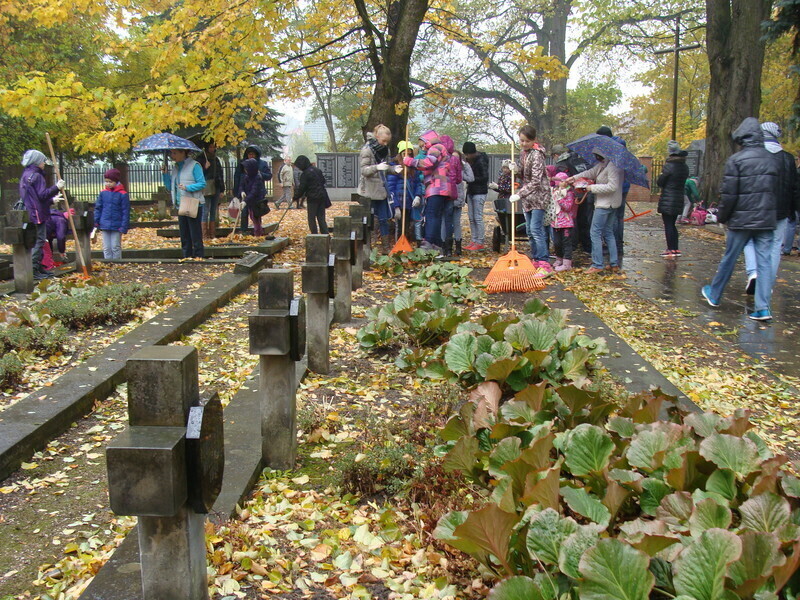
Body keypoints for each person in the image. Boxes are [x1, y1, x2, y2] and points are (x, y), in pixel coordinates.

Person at [701, 117, 779, 321]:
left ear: (742, 138)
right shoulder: (772, 159)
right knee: (764, 262)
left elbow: (729, 195)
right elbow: (776, 191)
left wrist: (722, 217)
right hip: (766, 219)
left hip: (741, 220)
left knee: (730, 258)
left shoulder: (736, 160)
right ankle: (763, 307)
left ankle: (715, 294)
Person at [742, 122, 800, 294]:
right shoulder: (788, 159)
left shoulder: (751, 155)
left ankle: (753, 273)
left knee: (749, 240)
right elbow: (794, 187)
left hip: (754, 207)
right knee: (775, 245)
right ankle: (766, 284)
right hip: (780, 209)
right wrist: (794, 210)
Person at [565, 146, 624, 273]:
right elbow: (591, 172)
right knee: (608, 232)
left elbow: (612, 186)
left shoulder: (612, 167)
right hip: (608, 204)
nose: (596, 158)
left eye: (597, 155)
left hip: (606, 204)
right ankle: (614, 263)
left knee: (595, 233)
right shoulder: (604, 164)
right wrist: (574, 178)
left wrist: (591, 188)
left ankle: (597, 264)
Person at [511, 125, 552, 273]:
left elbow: (535, 180)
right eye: (521, 141)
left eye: (526, 141)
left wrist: (519, 194)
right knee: (529, 230)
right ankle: (535, 259)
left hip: (539, 195)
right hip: (528, 197)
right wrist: (515, 169)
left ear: (533, 140)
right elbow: (523, 175)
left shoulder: (537, 154)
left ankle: (544, 262)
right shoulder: (524, 154)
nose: (523, 144)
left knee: (536, 229)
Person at [19, 149, 64, 279]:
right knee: (40, 240)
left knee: (39, 240)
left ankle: (38, 267)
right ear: (37, 162)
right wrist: (56, 187)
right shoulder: (37, 176)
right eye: (43, 161)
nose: (44, 163)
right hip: (37, 212)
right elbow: (42, 195)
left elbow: (35, 197)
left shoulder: (26, 174)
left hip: (32, 210)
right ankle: (33, 269)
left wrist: (52, 200)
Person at [403, 130, 450, 251]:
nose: (422, 147)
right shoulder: (437, 148)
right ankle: (437, 244)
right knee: (436, 215)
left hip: (437, 186)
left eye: (423, 143)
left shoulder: (436, 147)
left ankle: (428, 242)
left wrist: (409, 161)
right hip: (438, 187)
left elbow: (428, 163)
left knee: (431, 214)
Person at [163, 148, 206, 259]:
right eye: (172, 153)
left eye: (175, 153)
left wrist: (188, 187)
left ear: (183, 153)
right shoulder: (176, 167)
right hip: (181, 204)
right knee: (184, 233)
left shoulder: (194, 165)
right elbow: (170, 187)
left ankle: (198, 256)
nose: (172, 155)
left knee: (195, 232)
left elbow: (202, 183)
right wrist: (165, 175)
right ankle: (186, 256)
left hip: (193, 203)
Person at [359, 124, 394, 253]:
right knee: (369, 221)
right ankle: (369, 247)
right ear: (377, 136)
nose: (385, 144)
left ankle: (385, 248)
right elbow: (364, 171)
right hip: (369, 191)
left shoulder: (386, 150)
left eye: (387, 142)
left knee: (384, 219)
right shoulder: (367, 150)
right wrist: (376, 167)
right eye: (383, 141)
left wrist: (394, 169)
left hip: (382, 190)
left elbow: (386, 167)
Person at [656, 141, 690, 258]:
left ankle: (670, 249)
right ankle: (675, 248)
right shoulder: (684, 166)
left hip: (668, 198)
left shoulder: (669, 166)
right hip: (678, 197)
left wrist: (661, 174)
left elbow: (660, 182)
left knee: (668, 224)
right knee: (673, 223)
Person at [385, 141, 423, 245]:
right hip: (399, 200)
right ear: (400, 154)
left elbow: (418, 183)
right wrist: (395, 206)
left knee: (407, 225)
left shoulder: (413, 168)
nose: (407, 155)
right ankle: (399, 246)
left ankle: (407, 245)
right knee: (399, 226)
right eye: (404, 153)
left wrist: (417, 196)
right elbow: (391, 187)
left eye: (409, 153)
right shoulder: (395, 167)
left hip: (410, 201)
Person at [94, 168, 131, 260]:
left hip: (117, 225)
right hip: (105, 223)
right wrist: (96, 221)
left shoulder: (122, 194)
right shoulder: (103, 193)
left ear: (116, 181)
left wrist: (123, 226)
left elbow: (125, 211)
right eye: (106, 182)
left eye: (110, 182)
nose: (108, 184)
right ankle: (108, 263)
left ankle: (117, 264)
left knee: (115, 246)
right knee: (106, 247)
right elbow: (98, 208)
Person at [233, 145, 272, 231]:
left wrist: (260, 174)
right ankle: (244, 230)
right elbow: (238, 177)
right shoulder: (243, 164)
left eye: (253, 154)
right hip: (245, 192)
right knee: (244, 212)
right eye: (249, 154)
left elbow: (269, 176)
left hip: (257, 193)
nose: (251, 156)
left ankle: (258, 230)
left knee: (256, 213)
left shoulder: (262, 164)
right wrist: (239, 191)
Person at [462, 141, 489, 250]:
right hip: (471, 191)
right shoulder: (469, 161)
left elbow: (484, 177)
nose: (467, 156)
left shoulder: (481, 161)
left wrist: (471, 179)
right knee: (471, 217)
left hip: (480, 192)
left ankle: (480, 241)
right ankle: (473, 240)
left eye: (468, 154)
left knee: (477, 217)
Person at [440, 135, 463, 257]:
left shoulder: (437, 157)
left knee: (441, 219)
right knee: (450, 220)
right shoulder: (455, 159)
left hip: (438, 191)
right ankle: (450, 249)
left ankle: (442, 246)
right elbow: (459, 179)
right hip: (451, 192)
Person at [294, 155, 329, 234]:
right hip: (321, 197)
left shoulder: (305, 174)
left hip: (312, 198)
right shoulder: (317, 170)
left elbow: (302, 188)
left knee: (311, 218)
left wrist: (295, 197)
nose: (299, 168)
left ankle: (314, 235)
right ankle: (325, 235)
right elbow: (323, 181)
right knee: (321, 218)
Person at [198, 140, 225, 240]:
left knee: (213, 210)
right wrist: (205, 168)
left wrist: (222, 189)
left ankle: (212, 233)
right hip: (206, 188)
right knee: (205, 210)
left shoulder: (216, 159)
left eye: (214, 147)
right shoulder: (200, 159)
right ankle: (204, 235)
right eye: (210, 147)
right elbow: (197, 175)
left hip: (216, 186)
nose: (212, 149)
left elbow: (220, 175)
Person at [551, 171, 578, 271]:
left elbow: (568, 207)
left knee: (566, 243)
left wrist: (560, 199)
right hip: (556, 223)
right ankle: (559, 258)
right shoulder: (555, 191)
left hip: (566, 223)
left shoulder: (569, 193)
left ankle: (567, 263)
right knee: (557, 242)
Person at [241, 158, 268, 236]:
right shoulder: (247, 176)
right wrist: (242, 191)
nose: (245, 170)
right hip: (250, 201)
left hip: (256, 202)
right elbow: (242, 185)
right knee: (253, 217)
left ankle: (258, 234)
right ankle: (258, 233)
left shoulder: (257, 178)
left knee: (256, 218)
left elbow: (254, 191)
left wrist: (245, 201)